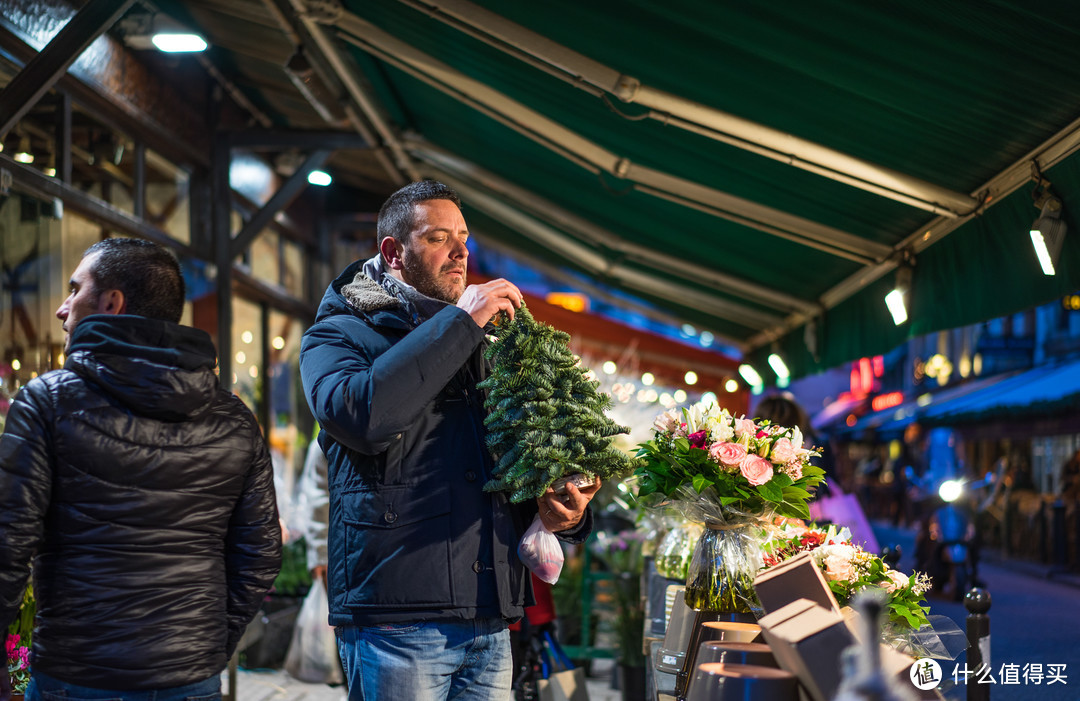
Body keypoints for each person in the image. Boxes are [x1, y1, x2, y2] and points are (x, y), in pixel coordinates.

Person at [300, 180, 601, 701]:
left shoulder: (485, 339)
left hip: (490, 616)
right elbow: (364, 416)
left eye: (463, 236)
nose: (461, 251)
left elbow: (510, 460)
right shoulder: (337, 334)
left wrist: (560, 512)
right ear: (393, 252)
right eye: (440, 237)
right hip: (397, 617)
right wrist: (462, 322)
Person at [0, 238, 282, 701]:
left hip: (78, 677)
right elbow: (261, 553)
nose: (62, 309)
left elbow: (8, 542)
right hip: (191, 680)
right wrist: (205, 645)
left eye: (74, 290)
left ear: (112, 303)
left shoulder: (47, 401)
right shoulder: (233, 419)